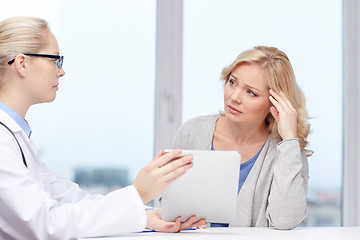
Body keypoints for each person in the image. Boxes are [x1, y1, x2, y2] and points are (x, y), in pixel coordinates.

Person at [0, 16, 205, 239]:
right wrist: (140, 192)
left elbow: (71, 198)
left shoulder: (15, 136)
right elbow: (45, 224)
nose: (61, 71)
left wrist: (145, 215)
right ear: (22, 63)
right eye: (55, 60)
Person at [172, 46, 311, 230]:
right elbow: (167, 207)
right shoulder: (192, 132)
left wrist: (290, 138)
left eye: (251, 92)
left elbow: (285, 220)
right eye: (232, 82)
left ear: (275, 103)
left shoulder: (287, 152)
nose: (234, 97)